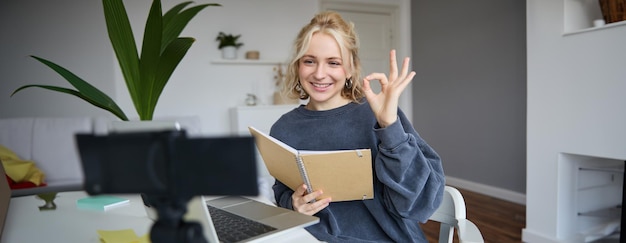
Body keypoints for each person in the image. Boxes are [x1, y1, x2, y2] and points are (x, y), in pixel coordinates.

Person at [269, 11, 445, 242]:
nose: (319, 74)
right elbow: (283, 189)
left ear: (351, 68)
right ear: (298, 66)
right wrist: (293, 203)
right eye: (309, 61)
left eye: (333, 62)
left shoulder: (377, 114)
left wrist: (389, 126)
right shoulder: (283, 128)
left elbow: (420, 203)